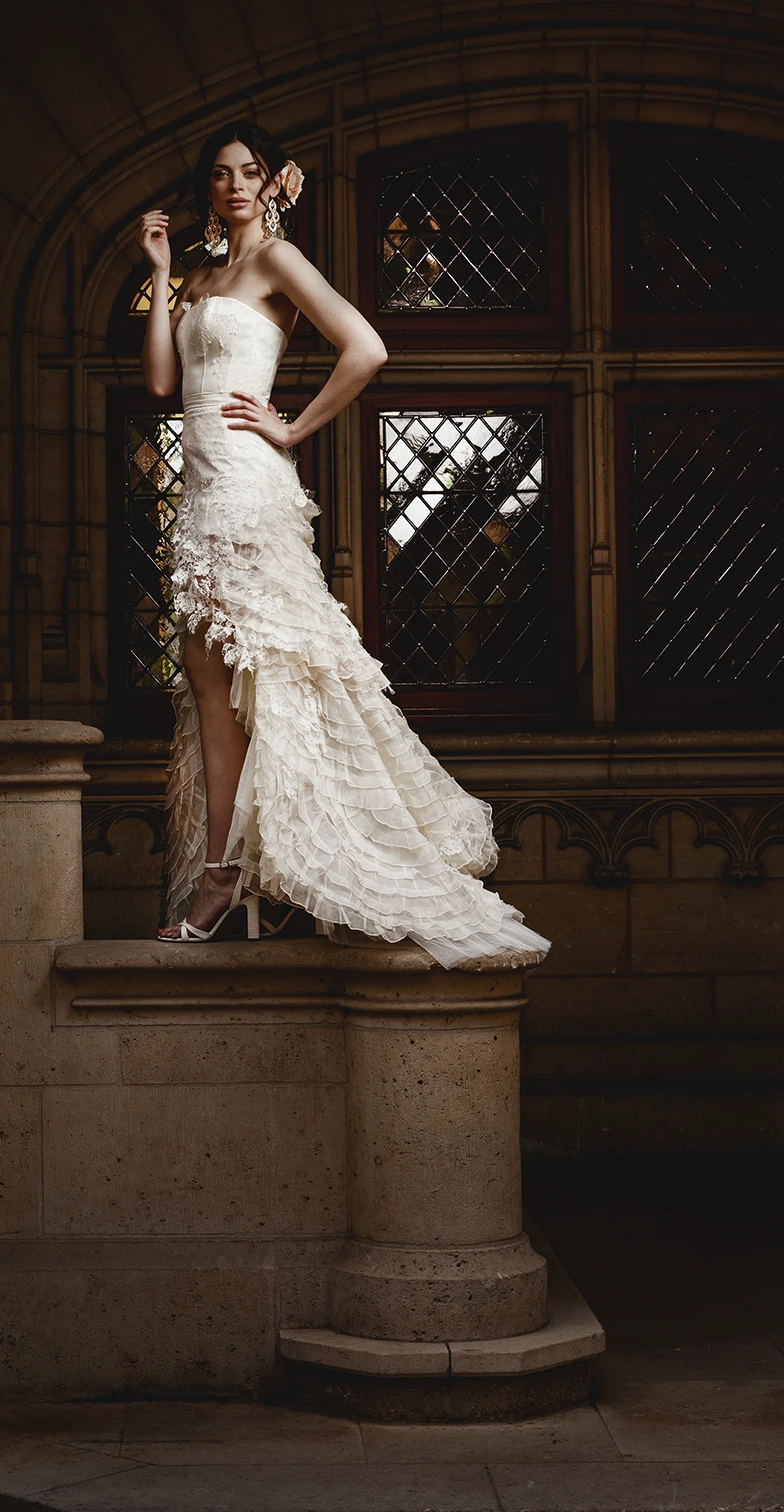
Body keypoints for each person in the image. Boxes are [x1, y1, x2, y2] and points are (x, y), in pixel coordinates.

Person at [138, 120, 549, 969]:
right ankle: (222, 877)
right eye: (220, 176)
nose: (236, 186)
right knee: (213, 694)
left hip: (251, 495)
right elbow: (160, 383)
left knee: (285, 683)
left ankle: (260, 874)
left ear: (269, 185)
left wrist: (291, 430)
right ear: (206, 191)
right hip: (202, 501)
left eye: (250, 172)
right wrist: (160, 274)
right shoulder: (205, 275)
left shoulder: (277, 264)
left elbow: (367, 348)